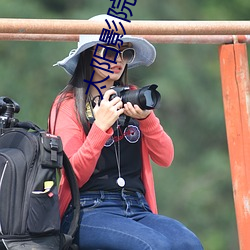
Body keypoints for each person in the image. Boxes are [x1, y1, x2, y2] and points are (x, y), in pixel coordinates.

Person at [49, 14, 203, 250]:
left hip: (137, 206)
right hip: (89, 209)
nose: (119, 60)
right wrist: (99, 129)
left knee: (189, 243)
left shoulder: (131, 95)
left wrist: (147, 119)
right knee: (154, 245)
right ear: (90, 55)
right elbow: (73, 174)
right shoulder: (69, 104)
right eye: (110, 53)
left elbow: (166, 157)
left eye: (125, 53)